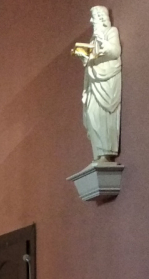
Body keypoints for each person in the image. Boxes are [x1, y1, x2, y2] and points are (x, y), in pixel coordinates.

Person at [76, 6, 122, 163]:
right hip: (93, 82)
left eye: (93, 17)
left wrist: (102, 42)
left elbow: (115, 51)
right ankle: (98, 153)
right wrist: (85, 58)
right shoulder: (93, 40)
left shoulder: (111, 32)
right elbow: (92, 62)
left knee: (103, 115)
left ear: (101, 18)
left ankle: (106, 152)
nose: (91, 21)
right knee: (92, 114)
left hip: (106, 81)